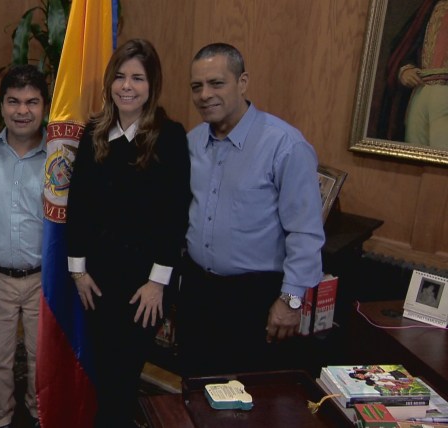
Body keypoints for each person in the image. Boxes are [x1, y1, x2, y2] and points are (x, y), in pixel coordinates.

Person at [178, 43, 325, 378]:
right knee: (195, 395)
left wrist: (290, 303)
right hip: (199, 294)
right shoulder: (192, 142)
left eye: (216, 83)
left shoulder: (285, 145)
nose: (204, 95)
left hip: (255, 299)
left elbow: (305, 232)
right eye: (196, 87)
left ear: (242, 82)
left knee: (247, 402)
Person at [66, 38, 191, 427]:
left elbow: (175, 214)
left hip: (144, 284)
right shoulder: (94, 133)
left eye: (137, 78)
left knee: (124, 372)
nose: (127, 86)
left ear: (152, 85)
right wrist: (78, 270)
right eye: (119, 76)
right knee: (103, 369)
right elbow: (79, 206)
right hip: (97, 279)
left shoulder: (170, 136)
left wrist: (158, 283)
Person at [0, 64, 48, 428]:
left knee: (42, 357)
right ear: (1, 106)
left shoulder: (61, 157)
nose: (22, 111)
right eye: (14, 101)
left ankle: (39, 414)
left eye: (32, 102)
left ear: (44, 107)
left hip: (44, 278)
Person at [379, 0, 447, 148]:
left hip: (445, 94)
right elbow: (408, 45)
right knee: (413, 150)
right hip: (420, 90)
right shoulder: (430, 6)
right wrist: (405, 69)